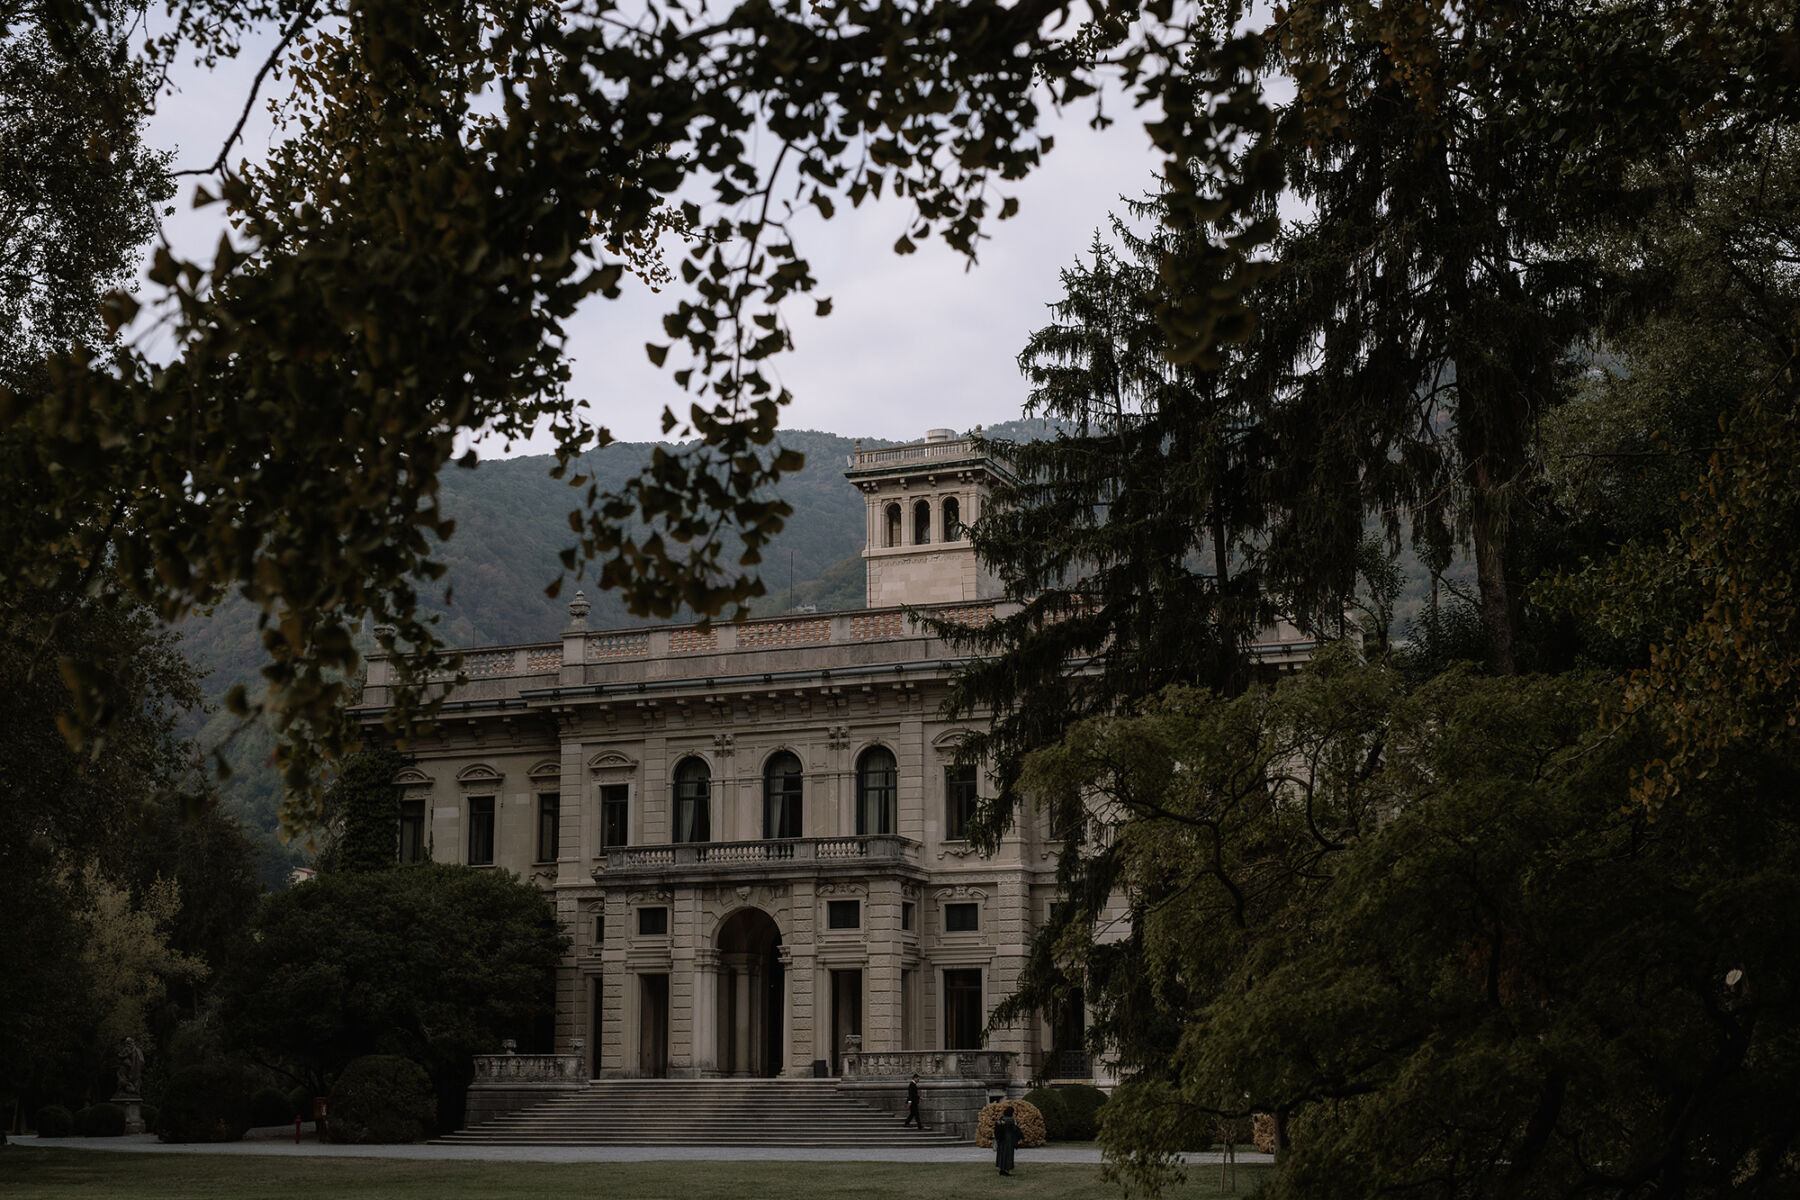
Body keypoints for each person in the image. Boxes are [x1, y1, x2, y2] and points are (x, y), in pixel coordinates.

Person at [994, 1104, 1020, 1176]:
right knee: (1008, 1154)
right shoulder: (1011, 1120)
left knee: (1001, 1154)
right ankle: (1007, 1170)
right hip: (1008, 1139)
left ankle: (1001, 1169)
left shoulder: (1001, 1119)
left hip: (1001, 1139)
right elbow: (1014, 1129)